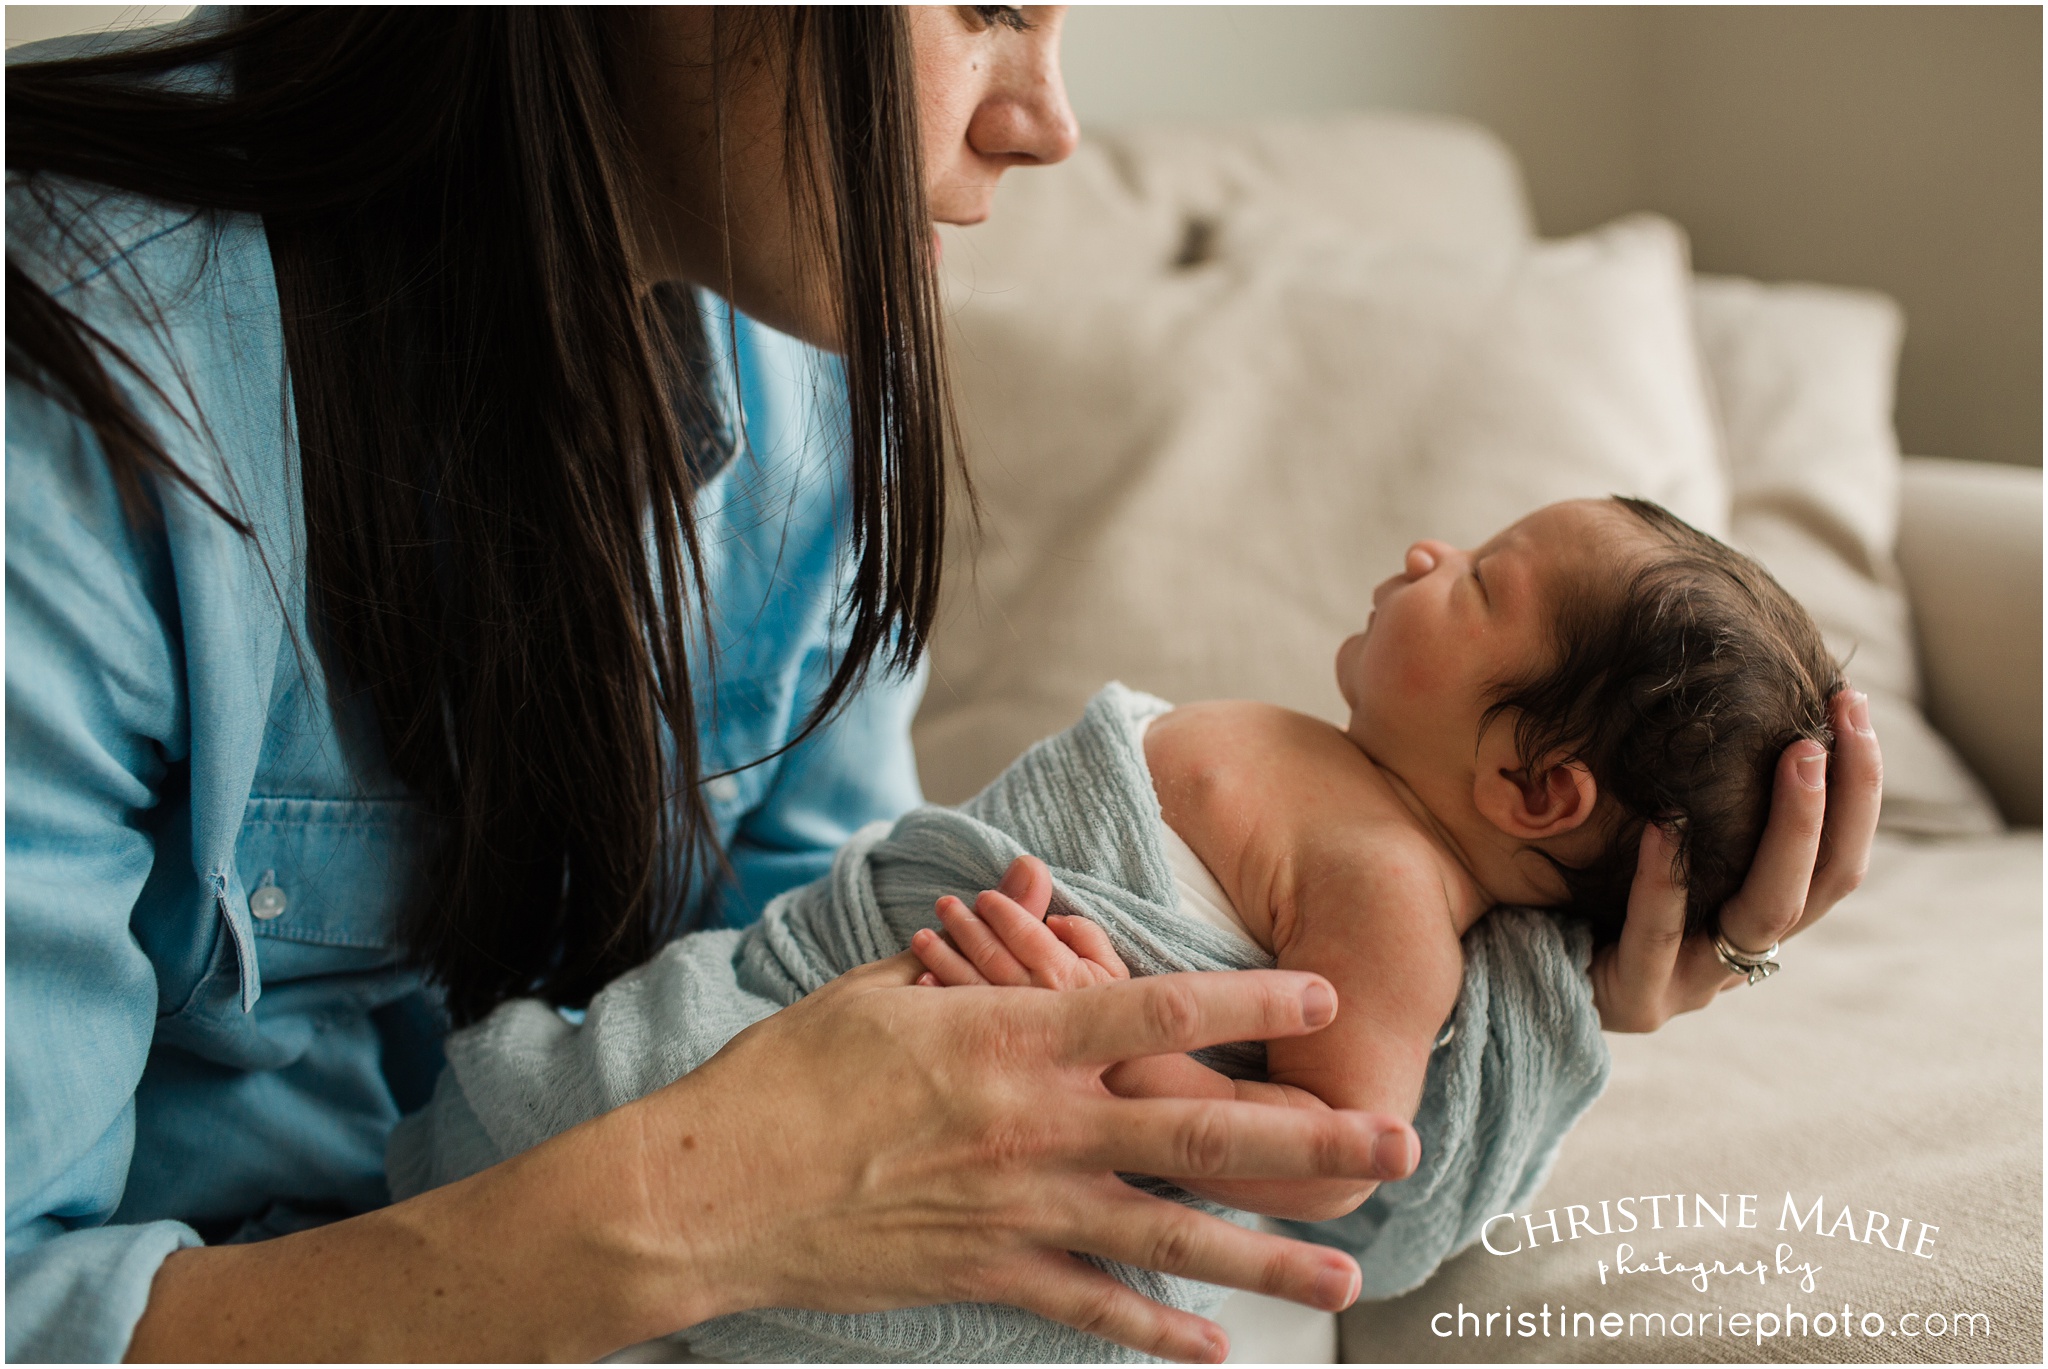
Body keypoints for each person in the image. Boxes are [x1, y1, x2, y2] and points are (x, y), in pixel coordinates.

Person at [3, 7, 1883, 1364]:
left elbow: (819, 953)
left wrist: (1567, 985)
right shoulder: (72, 402)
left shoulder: (797, 380)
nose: (1050, 123)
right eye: (984, 2)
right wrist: (697, 1191)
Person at [909, 497, 1857, 1225]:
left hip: (980, 1019)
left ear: (1529, 785)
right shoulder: (1354, 790)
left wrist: (1123, 1060)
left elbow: (1333, 1153)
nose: (1428, 554)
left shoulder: (1390, 894)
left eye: (1482, 581)